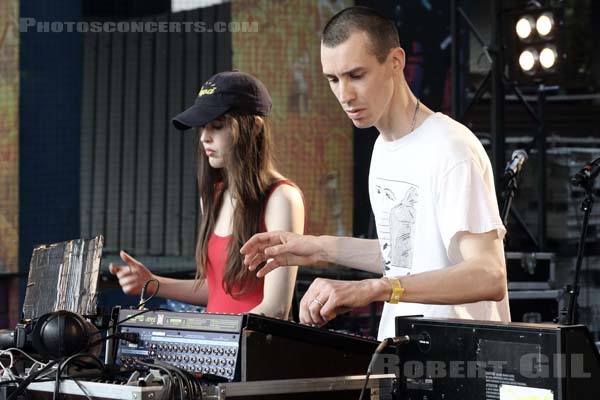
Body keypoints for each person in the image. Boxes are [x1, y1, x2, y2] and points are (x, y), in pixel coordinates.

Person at [240, 7, 510, 340]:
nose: (344, 95)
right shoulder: (384, 147)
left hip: (464, 362)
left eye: (356, 75)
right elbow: (405, 257)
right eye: (333, 79)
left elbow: (489, 275)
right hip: (405, 356)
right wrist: (317, 247)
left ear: (396, 62)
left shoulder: (450, 147)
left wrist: (376, 288)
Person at [110, 71, 305, 319]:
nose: (204, 137)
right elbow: (219, 290)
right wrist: (152, 283)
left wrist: (216, 336)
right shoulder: (214, 196)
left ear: (255, 127)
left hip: (250, 350)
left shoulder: (282, 198)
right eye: (202, 127)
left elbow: (276, 308)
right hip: (215, 348)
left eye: (217, 126)